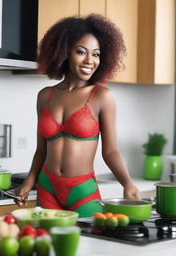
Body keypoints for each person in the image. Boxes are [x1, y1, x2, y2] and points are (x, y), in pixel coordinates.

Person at [14, 14, 140, 217]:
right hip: (47, 187)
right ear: (64, 52)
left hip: (82, 190)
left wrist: (127, 183)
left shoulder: (101, 96)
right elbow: (41, 150)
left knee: (89, 246)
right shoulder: (45, 96)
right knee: (49, 247)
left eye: (96, 54)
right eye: (81, 52)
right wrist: (29, 183)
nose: (90, 61)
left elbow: (110, 152)